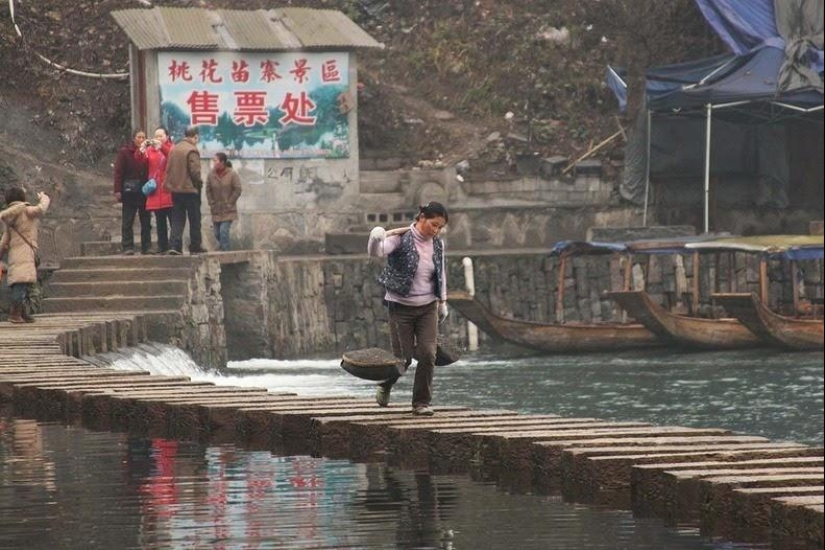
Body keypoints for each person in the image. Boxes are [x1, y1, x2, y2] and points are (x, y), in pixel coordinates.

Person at [367, 201, 450, 416]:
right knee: (403, 359)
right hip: (400, 307)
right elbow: (377, 252)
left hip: (428, 307)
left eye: (440, 227)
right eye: (434, 224)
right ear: (421, 218)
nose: (436, 230)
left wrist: (443, 302)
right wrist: (375, 237)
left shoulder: (437, 244)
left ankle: (421, 403)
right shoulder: (400, 239)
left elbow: (440, 273)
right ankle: (386, 385)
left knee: (428, 354)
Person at [0, 187, 50, 324]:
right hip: (26, 253)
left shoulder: (9, 217)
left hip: (15, 254)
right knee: (22, 284)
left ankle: (21, 313)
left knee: (21, 283)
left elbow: (5, 240)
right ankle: (15, 313)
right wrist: (44, 197)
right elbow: (41, 209)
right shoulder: (26, 210)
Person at [165, 126, 204, 255]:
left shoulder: (174, 149)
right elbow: (195, 172)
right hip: (190, 190)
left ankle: (174, 245)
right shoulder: (192, 150)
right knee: (195, 219)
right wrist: (199, 183)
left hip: (176, 190)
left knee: (177, 219)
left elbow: (169, 169)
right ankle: (195, 245)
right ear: (195, 137)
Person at [114, 130, 151, 255]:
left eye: (143, 137)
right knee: (128, 220)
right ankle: (127, 246)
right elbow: (118, 172)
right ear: (134, 139)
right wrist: (117, 190)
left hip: (144, 190)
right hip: (129, 191)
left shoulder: (148, 152)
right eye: (139, 137)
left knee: (146, 221)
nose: (141, 140)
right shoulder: (125, 152)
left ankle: (147, 246)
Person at [139, 127, 174, 253]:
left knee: (173, 220)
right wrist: (141, 151)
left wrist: (162, 147)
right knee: (160, 221)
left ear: (167, 136)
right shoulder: (150, 150)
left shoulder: (171, 148)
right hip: (155, 190)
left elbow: (171, 157)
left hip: (168, 189)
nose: (158, 138)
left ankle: (174, 245)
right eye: (156, 136)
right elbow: (141, 163)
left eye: (160, 136)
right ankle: (162, 245)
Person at [205, 152, 243, 251]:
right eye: (213, 160)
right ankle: (224, 248)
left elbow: (238, 189)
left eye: (215, 160)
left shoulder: (232, 174)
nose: (213, 162)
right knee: (216, 233)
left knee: (223, 231)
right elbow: (208, 189)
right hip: (216, 209)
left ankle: (226, 253)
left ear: (222, 162)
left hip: (228, 209)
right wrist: (211, 203)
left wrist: (230, 202)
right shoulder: (211, 174)